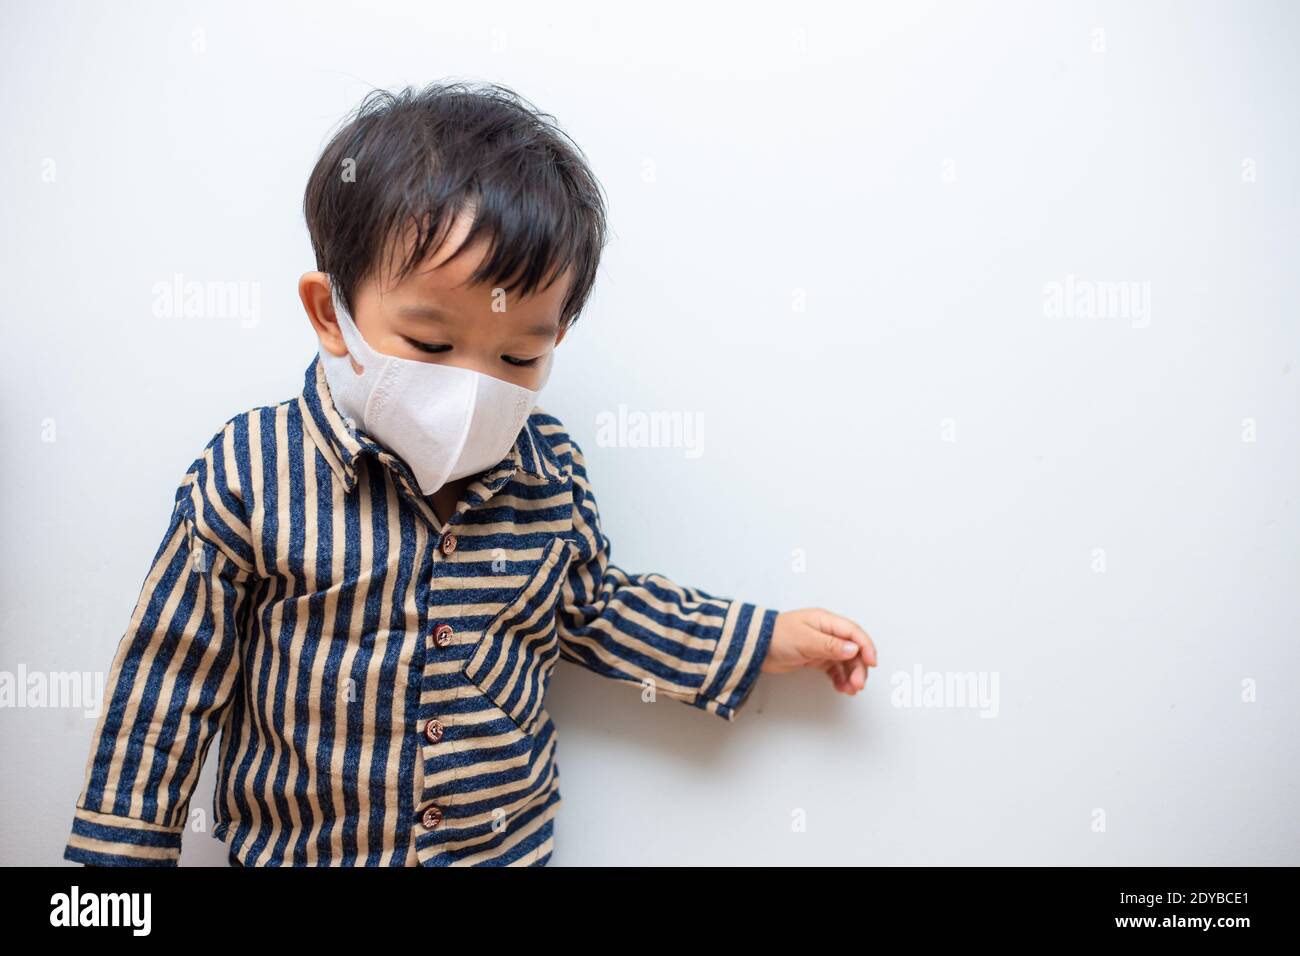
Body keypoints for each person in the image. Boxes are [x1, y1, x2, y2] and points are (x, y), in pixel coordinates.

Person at [64, 81, 877, 867]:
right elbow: (165, 683)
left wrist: (761, 638)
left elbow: (596, 609)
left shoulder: (549, 473)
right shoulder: (251, 472)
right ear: (329, 313)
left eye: (521, 354)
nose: (473, 384)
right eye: (428, 343)